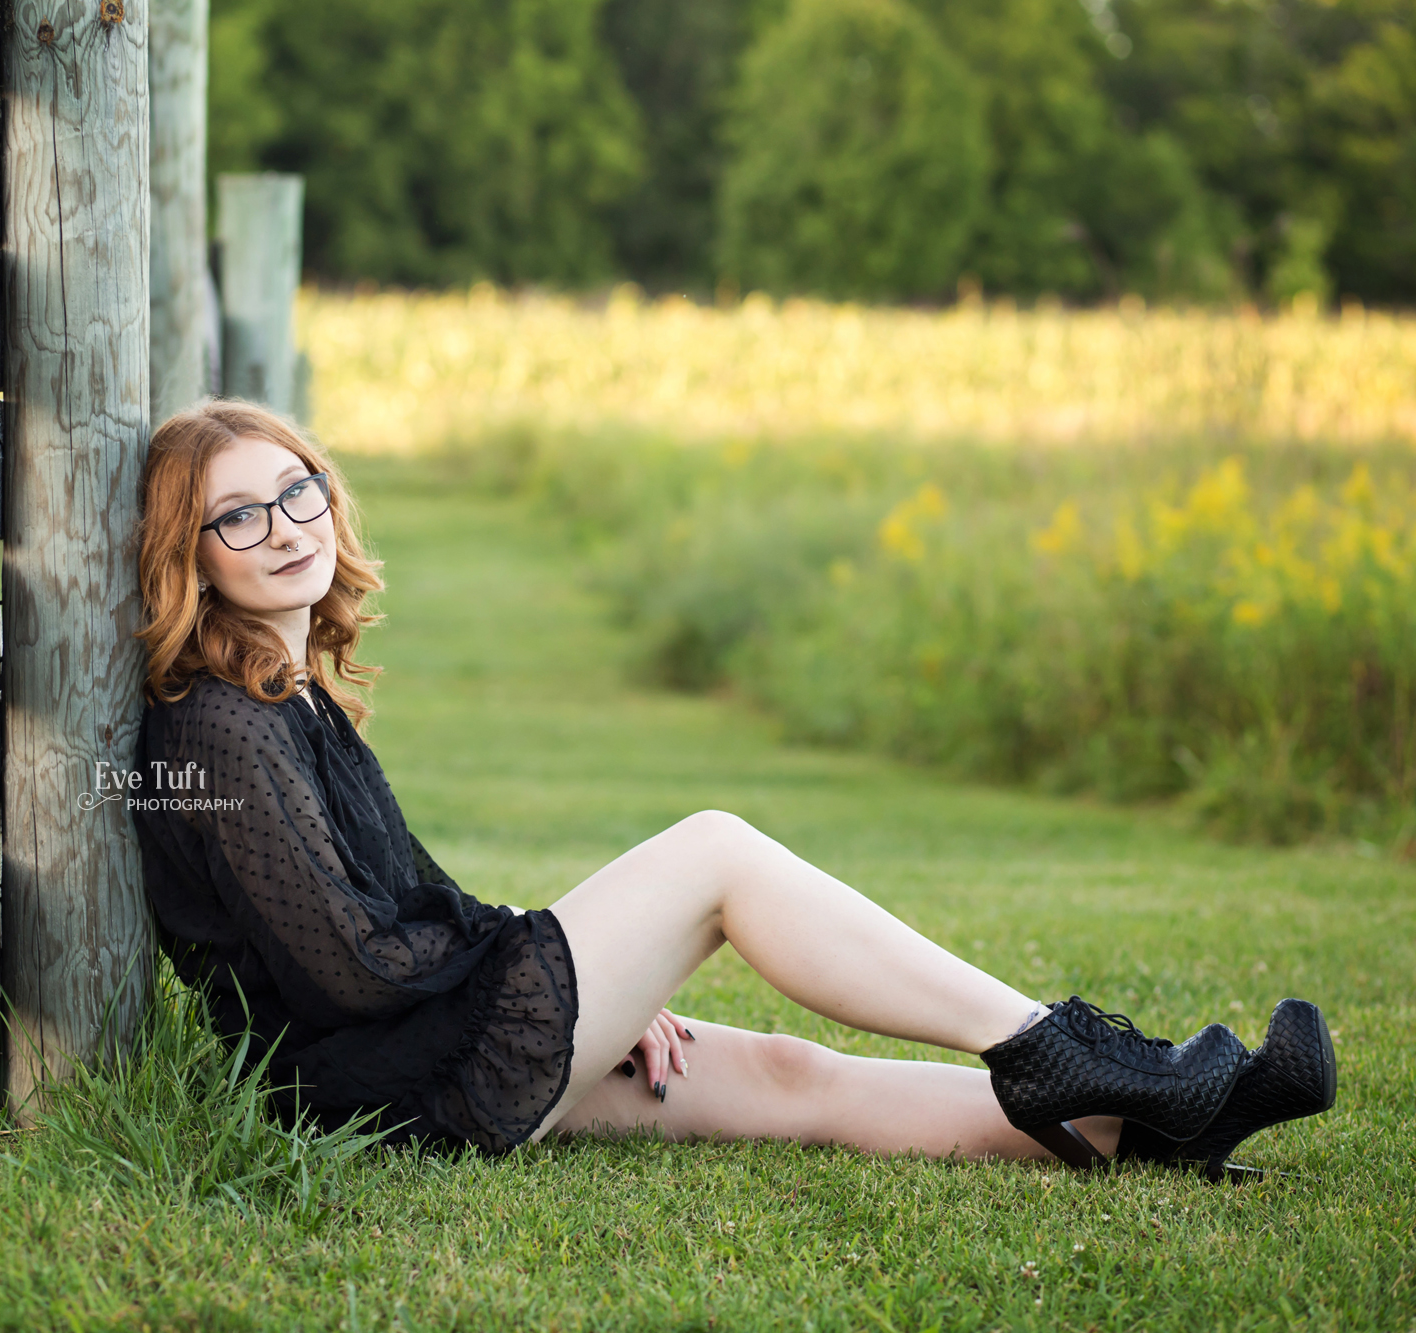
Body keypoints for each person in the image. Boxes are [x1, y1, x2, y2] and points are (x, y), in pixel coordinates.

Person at [128, 400, 1337, 1178]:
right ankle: (1062, 1047)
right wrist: (545, 978)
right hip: (372, 1086)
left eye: (297, 492)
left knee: (781, 1072)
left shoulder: (283, 693)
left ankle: (1161, 1126)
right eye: (238, 516)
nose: (284, 527)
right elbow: (345, 968)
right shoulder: (220, 726)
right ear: (191, 553)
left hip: (407, 1059)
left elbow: (400, 905)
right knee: (716, 851)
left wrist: (586, 978)